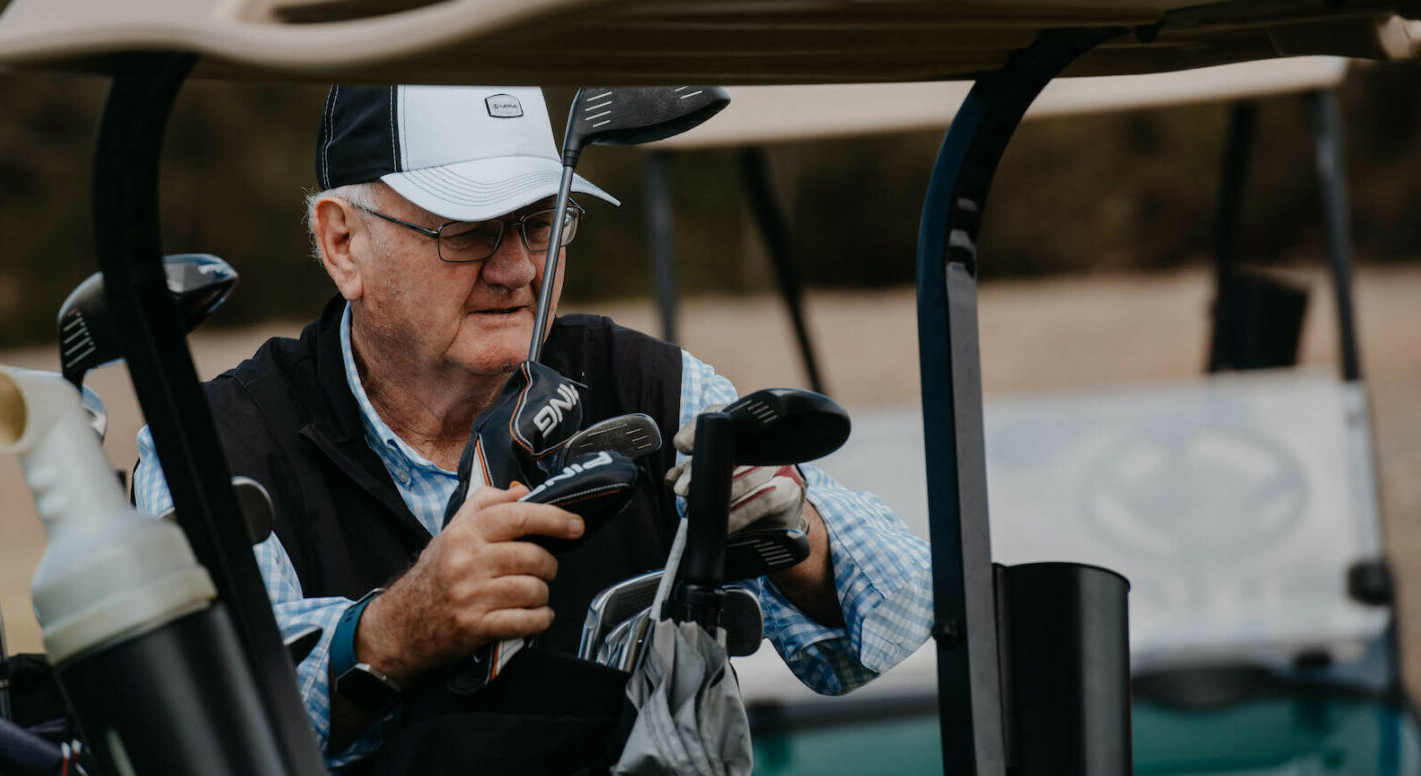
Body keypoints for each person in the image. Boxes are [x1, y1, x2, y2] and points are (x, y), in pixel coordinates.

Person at [132, 85, 932, 771]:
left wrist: (798, 538)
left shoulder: (649, 383)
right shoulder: (211, 444)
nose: (517, 268)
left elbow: (903, 611)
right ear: (344, 243)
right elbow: (196, 731)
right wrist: (390, 634)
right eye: (469, 230)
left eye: (539, 222)